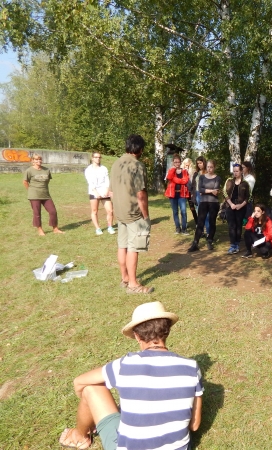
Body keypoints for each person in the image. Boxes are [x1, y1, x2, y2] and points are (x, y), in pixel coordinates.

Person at [57, 301, 202, 450]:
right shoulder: (192, 367)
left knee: (90, 389)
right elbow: (195, 424)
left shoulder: (125, 365)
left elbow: (79, 382)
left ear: (137, 336)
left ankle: (79, 437)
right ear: (167, 331)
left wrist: (90, 410)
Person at [109, 134, 153, 294]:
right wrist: (146, 217)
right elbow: (141, 195)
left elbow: (111, 191)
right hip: (134, 214)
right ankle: (133, 284)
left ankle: (125, 278)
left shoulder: (115, 164)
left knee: (122, 245)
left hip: (120, 213)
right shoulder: (137, 166)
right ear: (140, 149)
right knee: (133, 248)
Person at [22, 153, 64, 236]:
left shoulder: (46, 170)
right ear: (32, 161)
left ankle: (55, 229)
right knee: (37, 213)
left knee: (53, 211)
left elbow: (48, 180)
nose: (38, 161)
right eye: (36, 159)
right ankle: (40, 230)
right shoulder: (29, 170)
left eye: (40, 159)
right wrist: (31, 190)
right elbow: (25, 182)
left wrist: (43, 188)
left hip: (45, 195)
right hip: (34, 195)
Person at [188, 160, 221, 252]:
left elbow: (216, 190)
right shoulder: (202, 177)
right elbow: (200, 189)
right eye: (208, 167)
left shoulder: (217, 178)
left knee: (212, 222)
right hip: (203, 202)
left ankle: (210, 240)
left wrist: (206, 190)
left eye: (211, 167)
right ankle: (195, 243)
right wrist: (210, 191)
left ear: (214, 168)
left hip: (213, 203)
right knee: (200, 222)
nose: (209, 169)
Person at [84, 152, 115, 236]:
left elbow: (107, 180)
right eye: (96, 157)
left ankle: (110, 226)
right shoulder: (88, 169)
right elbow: (90, 182)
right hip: (94, 192)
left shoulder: (104, 168)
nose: (98, 159)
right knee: (94, 211)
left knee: (110, 210)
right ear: (92, 158)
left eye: (99, 157)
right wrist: (95, 192)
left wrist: (107, 190)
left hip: (104, 191)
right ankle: (98, 228)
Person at [224, 163, 250, 254]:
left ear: (241, 171)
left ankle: (237, 244)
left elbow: (248, 197)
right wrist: (231, 204)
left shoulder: (245, 183)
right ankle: (232, 245)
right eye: (234, 171)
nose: (235, 173)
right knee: (231, 226)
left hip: (241, 207)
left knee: (238, 226)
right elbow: (225, 193)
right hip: (230, 206)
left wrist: (240, 205)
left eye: (237, 171)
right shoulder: (229, 181)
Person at [164, 154, 190, 235]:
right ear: (173, 162)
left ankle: (184, 229)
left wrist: (175, 180)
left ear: (180, 162)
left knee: (183, 211)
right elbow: (169, 177)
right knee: (175, 212)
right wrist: (174, 171)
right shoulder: (171, 170)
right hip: (173, 194)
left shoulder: (184, 171)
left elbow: (185, 180)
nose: (177, 164)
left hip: (182, 194)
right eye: (175, 162)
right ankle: (178, 228)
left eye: (178, 162)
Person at [190, 156, 211, 237]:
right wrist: (193, 194)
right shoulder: (196, 173)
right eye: (198, 163)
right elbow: (193, 185)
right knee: (200, 215)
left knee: (207, 215)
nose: (199, 165)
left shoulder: (208, 172)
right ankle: (201, 231)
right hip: (197, 194)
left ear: (204, 163)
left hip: (205, 195)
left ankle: (208, 232)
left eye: (200, 163)